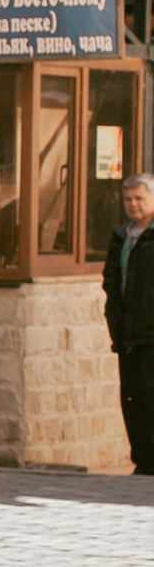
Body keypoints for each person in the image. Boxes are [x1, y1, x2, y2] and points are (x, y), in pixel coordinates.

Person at [107, 172, 154, 474]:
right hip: (127, 333)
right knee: (131, 396)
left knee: (149, 390)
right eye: (128, 199)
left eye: (139, 198)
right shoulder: (121, 236)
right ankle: (144, 461)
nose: (133, 204)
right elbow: (111, 280)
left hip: (152, 333)